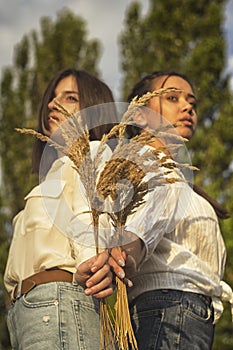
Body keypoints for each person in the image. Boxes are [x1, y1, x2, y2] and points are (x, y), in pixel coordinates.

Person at [4, 67, 127, 350]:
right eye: (53, 97)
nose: (51, 104)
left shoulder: (93, 154)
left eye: (70, 97)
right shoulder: (52, 177)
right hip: (28, 315)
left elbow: (93, 213)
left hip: (59, 304)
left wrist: (92, 263)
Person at [119, 71, 233, 350]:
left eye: (191, 102)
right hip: (170, 311)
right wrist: (124, 256)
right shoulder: (148, 164)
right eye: (172, 98)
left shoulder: (174, 175)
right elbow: (139, 225)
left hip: (179, 314)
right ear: (140, 115)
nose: (187, 107)